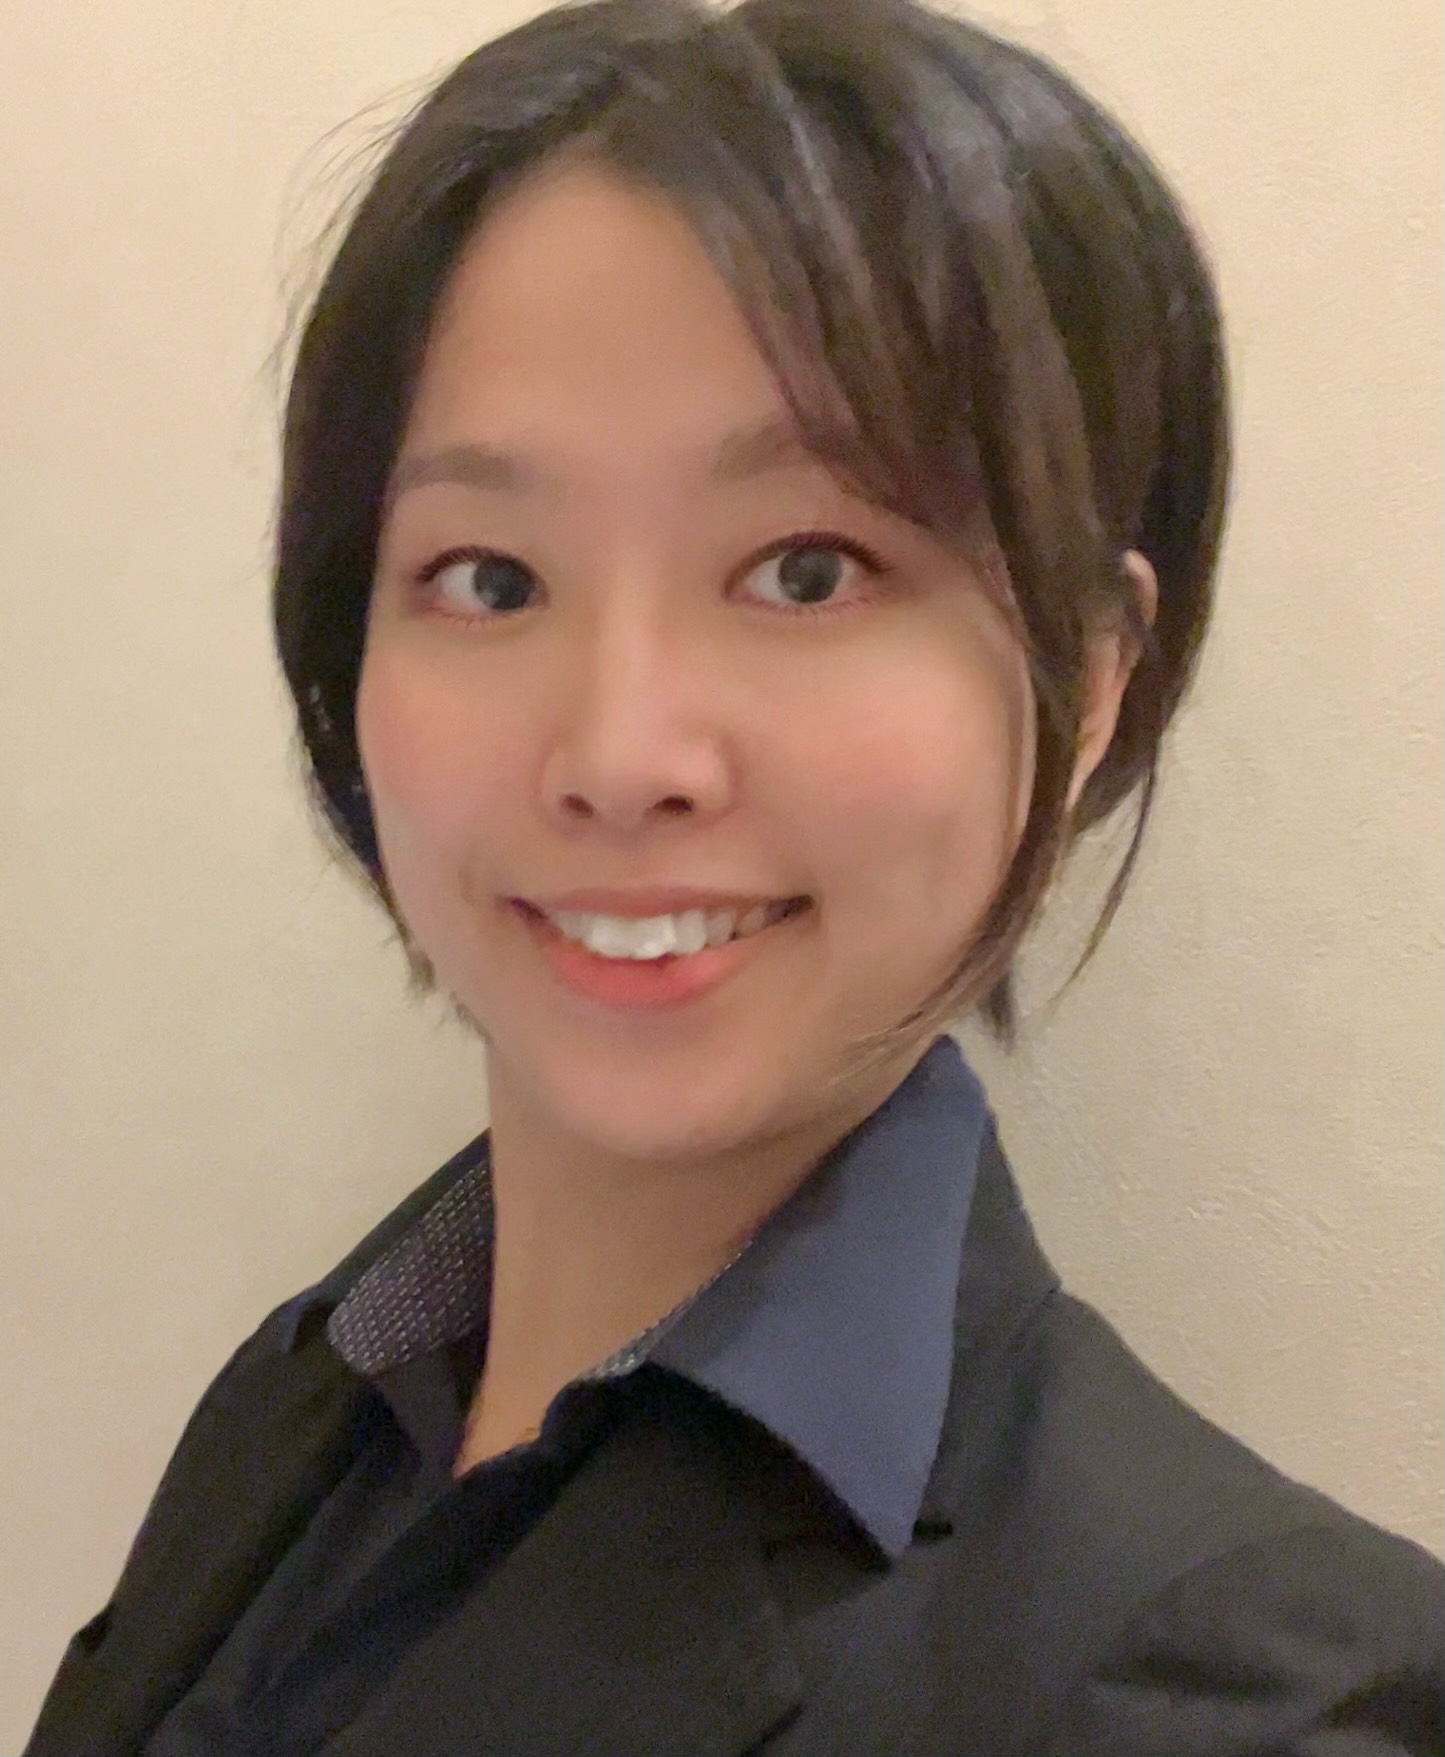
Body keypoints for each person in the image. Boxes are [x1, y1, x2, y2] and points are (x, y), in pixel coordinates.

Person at [24, 0, 1443, 1751]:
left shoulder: (1239, 1700)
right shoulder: (316, 1389)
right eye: (487, 576)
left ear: (1088, 680)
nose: (621, 752)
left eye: (805, 571)